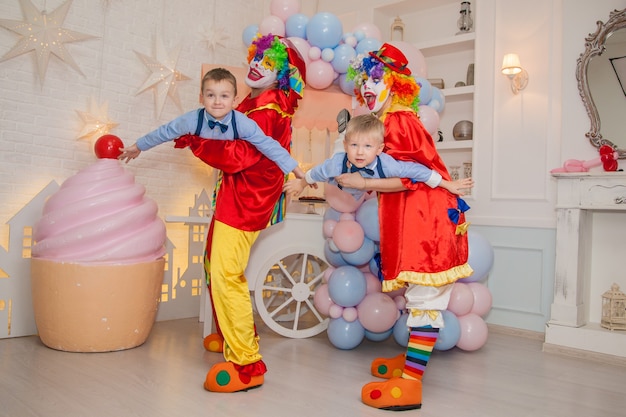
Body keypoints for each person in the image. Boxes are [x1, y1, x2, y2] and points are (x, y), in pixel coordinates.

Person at [340, 43, 474, 411]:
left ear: (396, 83)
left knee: (425, 298)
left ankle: (411, 384)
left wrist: (361, 183)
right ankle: (413, 366)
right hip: (418, 220)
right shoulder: (391, 122)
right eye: (363, 79)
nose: (367, 85)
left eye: (376, 78)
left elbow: (409, 180)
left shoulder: (399, 123)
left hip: (427, 225)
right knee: (419, 296)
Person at [171, 34, 307, 393]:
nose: (257, 64)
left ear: (281, 72)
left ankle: (248, 363)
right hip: (235, 196)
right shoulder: (256, 102)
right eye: (256, 57)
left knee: (227, 274)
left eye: (268, 62)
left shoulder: (266, 108)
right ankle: (230, 337)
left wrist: (196, 140)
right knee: (216, 268)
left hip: (245, 199)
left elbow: (239, 156)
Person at [118, 67, 305, 181]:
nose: (217, 101)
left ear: (234, 101)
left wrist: (295, 169)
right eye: (210, 95)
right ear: (201, 98)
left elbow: (268, 144)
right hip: (207, 152)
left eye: (224, 96)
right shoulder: (191, 120)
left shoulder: (242, 123)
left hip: (235, 165)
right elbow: (165, 132)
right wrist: (138, 146)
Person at [283, 113, 473, 200]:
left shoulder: (388, 165)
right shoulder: (337, 163)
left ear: (380, 148)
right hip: (341, 172)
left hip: (358, 186)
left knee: (345, 151)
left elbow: (418, 171)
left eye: (367, 146)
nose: (360, 152)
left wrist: (448, 184)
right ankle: (344, 133)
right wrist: (302, 183)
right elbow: (318, 171)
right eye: (355, 146)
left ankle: (347, 132)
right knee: (337, 152)